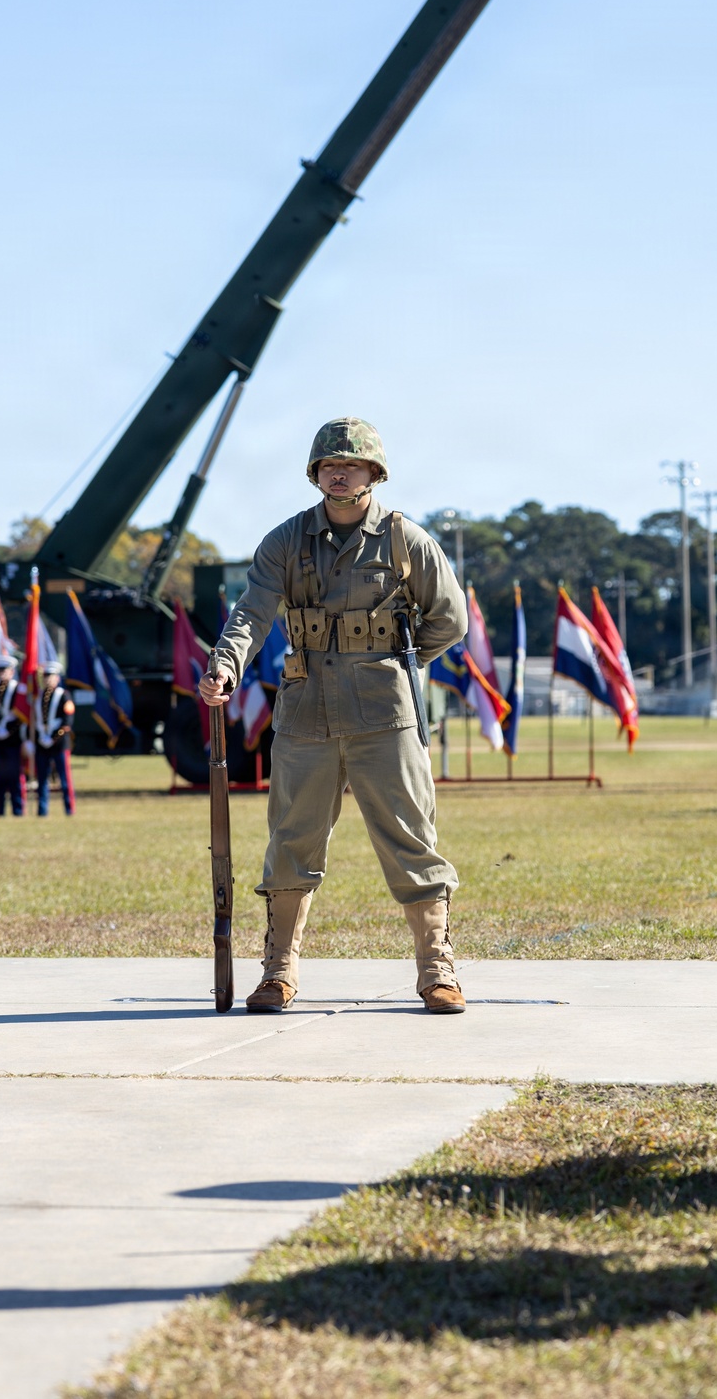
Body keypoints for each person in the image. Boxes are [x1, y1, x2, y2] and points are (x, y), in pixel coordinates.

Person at [200, 417, 469, 1016]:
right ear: (315, 473)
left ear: (375, 472)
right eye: (328, 465)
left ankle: (437, 970)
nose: (339, 472)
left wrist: (400, 658)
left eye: (351, 464)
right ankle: (278, 973)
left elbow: (451, 618)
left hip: (385, 714)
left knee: (410, 842)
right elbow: (253, 613)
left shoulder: (406, 539)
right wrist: (225, 665)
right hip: (305, 714)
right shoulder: (285, 541)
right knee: (291, 842)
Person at [34, 661, 75, 816]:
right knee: (42, 778)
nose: (47, 679)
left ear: (57, 678)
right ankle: (42, 810)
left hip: (59, 743)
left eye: (51, 676)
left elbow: (67, 723)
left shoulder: (64, 696)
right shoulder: (39, 697)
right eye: (45, 676)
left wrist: (52, 738)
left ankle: (69, 809)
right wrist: (40, 737)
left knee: (64, 778)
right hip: (42, 741)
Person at [0, 654, 26, 816]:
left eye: (6, 670)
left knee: (14, 776)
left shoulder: (18, 690)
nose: (2, 673)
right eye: (0, 670)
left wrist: (8, 731)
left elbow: (22, 715)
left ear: (12, 672)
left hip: (12, 739)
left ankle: (18, 809)